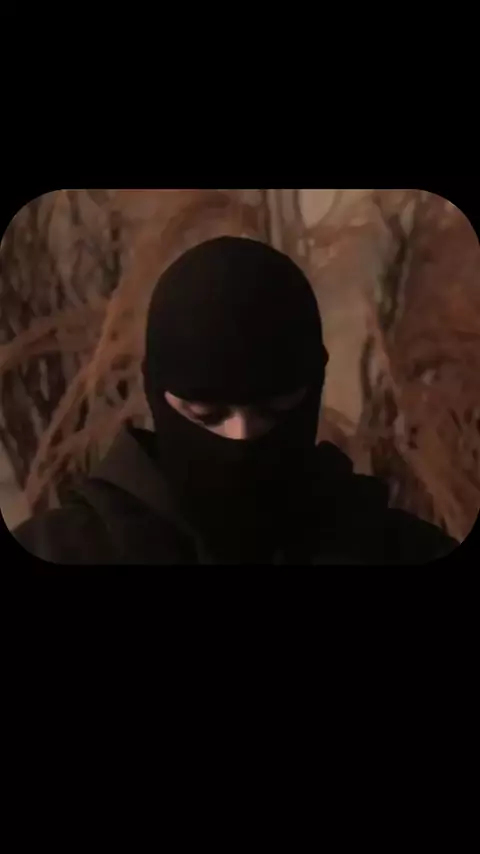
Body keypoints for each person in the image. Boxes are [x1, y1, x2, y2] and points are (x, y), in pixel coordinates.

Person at [12, 237, 459, 565]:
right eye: (206, 415)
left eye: (275, 411)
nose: (242, 438)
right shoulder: (57, 551)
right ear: (155, 394)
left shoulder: (400, 551)